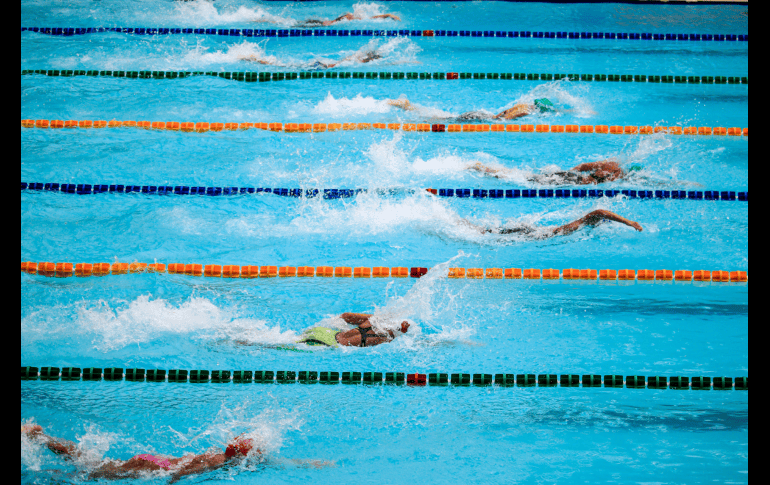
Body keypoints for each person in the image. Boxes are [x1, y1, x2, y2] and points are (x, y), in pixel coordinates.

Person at [21, 424, 329, 482]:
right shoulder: (215, 460)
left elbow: (280, 462)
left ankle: (42, 437)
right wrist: (172, 482)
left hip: (156, 460)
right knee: (92, 474)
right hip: (151, 466)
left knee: (94, 464)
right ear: (239, 451)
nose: (260, 453)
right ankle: (48, 474)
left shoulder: (230, 457)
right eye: (256, 449)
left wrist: (310, 463)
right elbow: (187, 469)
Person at [457, 209, 643, 239]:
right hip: (535, 234)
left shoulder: (583, 225)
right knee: (488, 234)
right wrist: (628, 222)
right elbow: (599, 212)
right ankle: (468, 226)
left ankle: (469, 226)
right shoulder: (586, 221)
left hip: (536, 232)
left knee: (492, 232)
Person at [468, 160, 644, 185]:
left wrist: (570, 172)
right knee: (528, 180)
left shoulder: (610, 165)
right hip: (569, 179)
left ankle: (487, 168)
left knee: (527, 177)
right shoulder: (614, 172)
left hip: (569, 176)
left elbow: (583, 166)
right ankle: (485, 169)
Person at [387, 97, 558, 120]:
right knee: (445, 120)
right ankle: (407, 107)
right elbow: (504, 119)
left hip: (483, 114)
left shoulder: (522, 105)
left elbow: (503, 113)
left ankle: (409, 107)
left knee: (448, 117)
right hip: (484, 118)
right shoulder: (525, 111)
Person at [298, 313, 410, 348]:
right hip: (326, 344)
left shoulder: (374, 319)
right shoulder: (387, 338)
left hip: (324, 332)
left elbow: (346, 316)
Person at [240, 50, 382, 69]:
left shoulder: (353, 59)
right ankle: (255, 59)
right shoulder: (355, 62)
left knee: (283, 65)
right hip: (319, 67)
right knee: (283, 67)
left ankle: (255, 59)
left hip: (319, 65)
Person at [297, 13, 401, 27]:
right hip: (321, 24)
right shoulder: (346, 19)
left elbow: (372, 17)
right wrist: (388, 15)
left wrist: (388, 15)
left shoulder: (357, 19)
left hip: (321, 22)